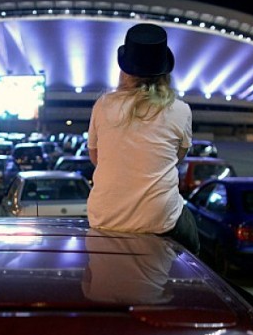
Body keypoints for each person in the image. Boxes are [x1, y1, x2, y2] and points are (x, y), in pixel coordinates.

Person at [86, 23, 200, 255]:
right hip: (158, 219)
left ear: (125, 70)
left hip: (104, 215)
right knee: (194, 245)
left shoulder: (103, 105)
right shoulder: (180, 110)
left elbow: (95, 157)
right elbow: (176, 158)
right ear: (164, 72)